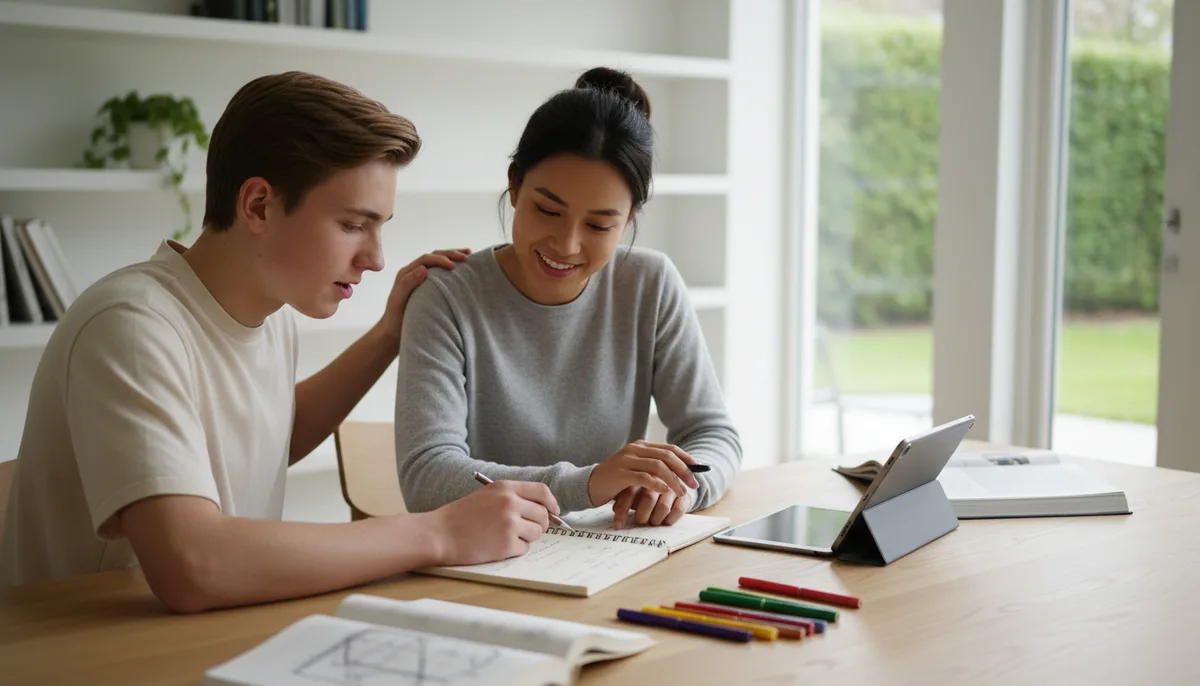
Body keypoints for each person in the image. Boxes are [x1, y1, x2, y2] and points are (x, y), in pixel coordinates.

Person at [0, 71, 560, 611]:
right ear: (258, 205)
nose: (376, 258)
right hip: (88, 658)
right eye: (352, 225)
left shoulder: (270, 316)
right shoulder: (130, 325)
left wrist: (391, 332)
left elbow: (269, 436)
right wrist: (440, 532)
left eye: (380, 226)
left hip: (203, 637)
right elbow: (192, 566)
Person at [394, 67, 742, 529]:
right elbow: (426, 476)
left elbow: (712, 433)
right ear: (514, 184)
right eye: (547, 210)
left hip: (614, 550)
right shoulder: (447, 297)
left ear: (630, 217)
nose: (567, 244)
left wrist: (678, 489)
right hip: (485, 560)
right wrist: (589, 483)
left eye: (599, 225)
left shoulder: (649, 283)